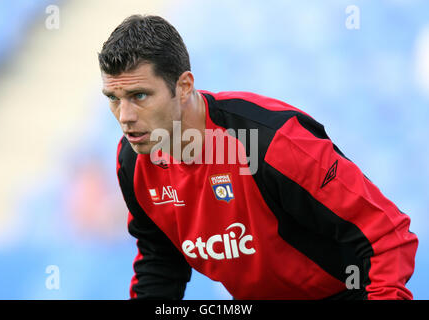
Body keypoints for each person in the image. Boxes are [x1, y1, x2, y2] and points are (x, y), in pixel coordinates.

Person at [98, 14, 418, 300]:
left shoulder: (272, 142)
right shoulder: (133, 160)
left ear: (183, 87)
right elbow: (160, 264)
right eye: (113, 98)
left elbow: (388, 235)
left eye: (139, 96)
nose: (124, 116)